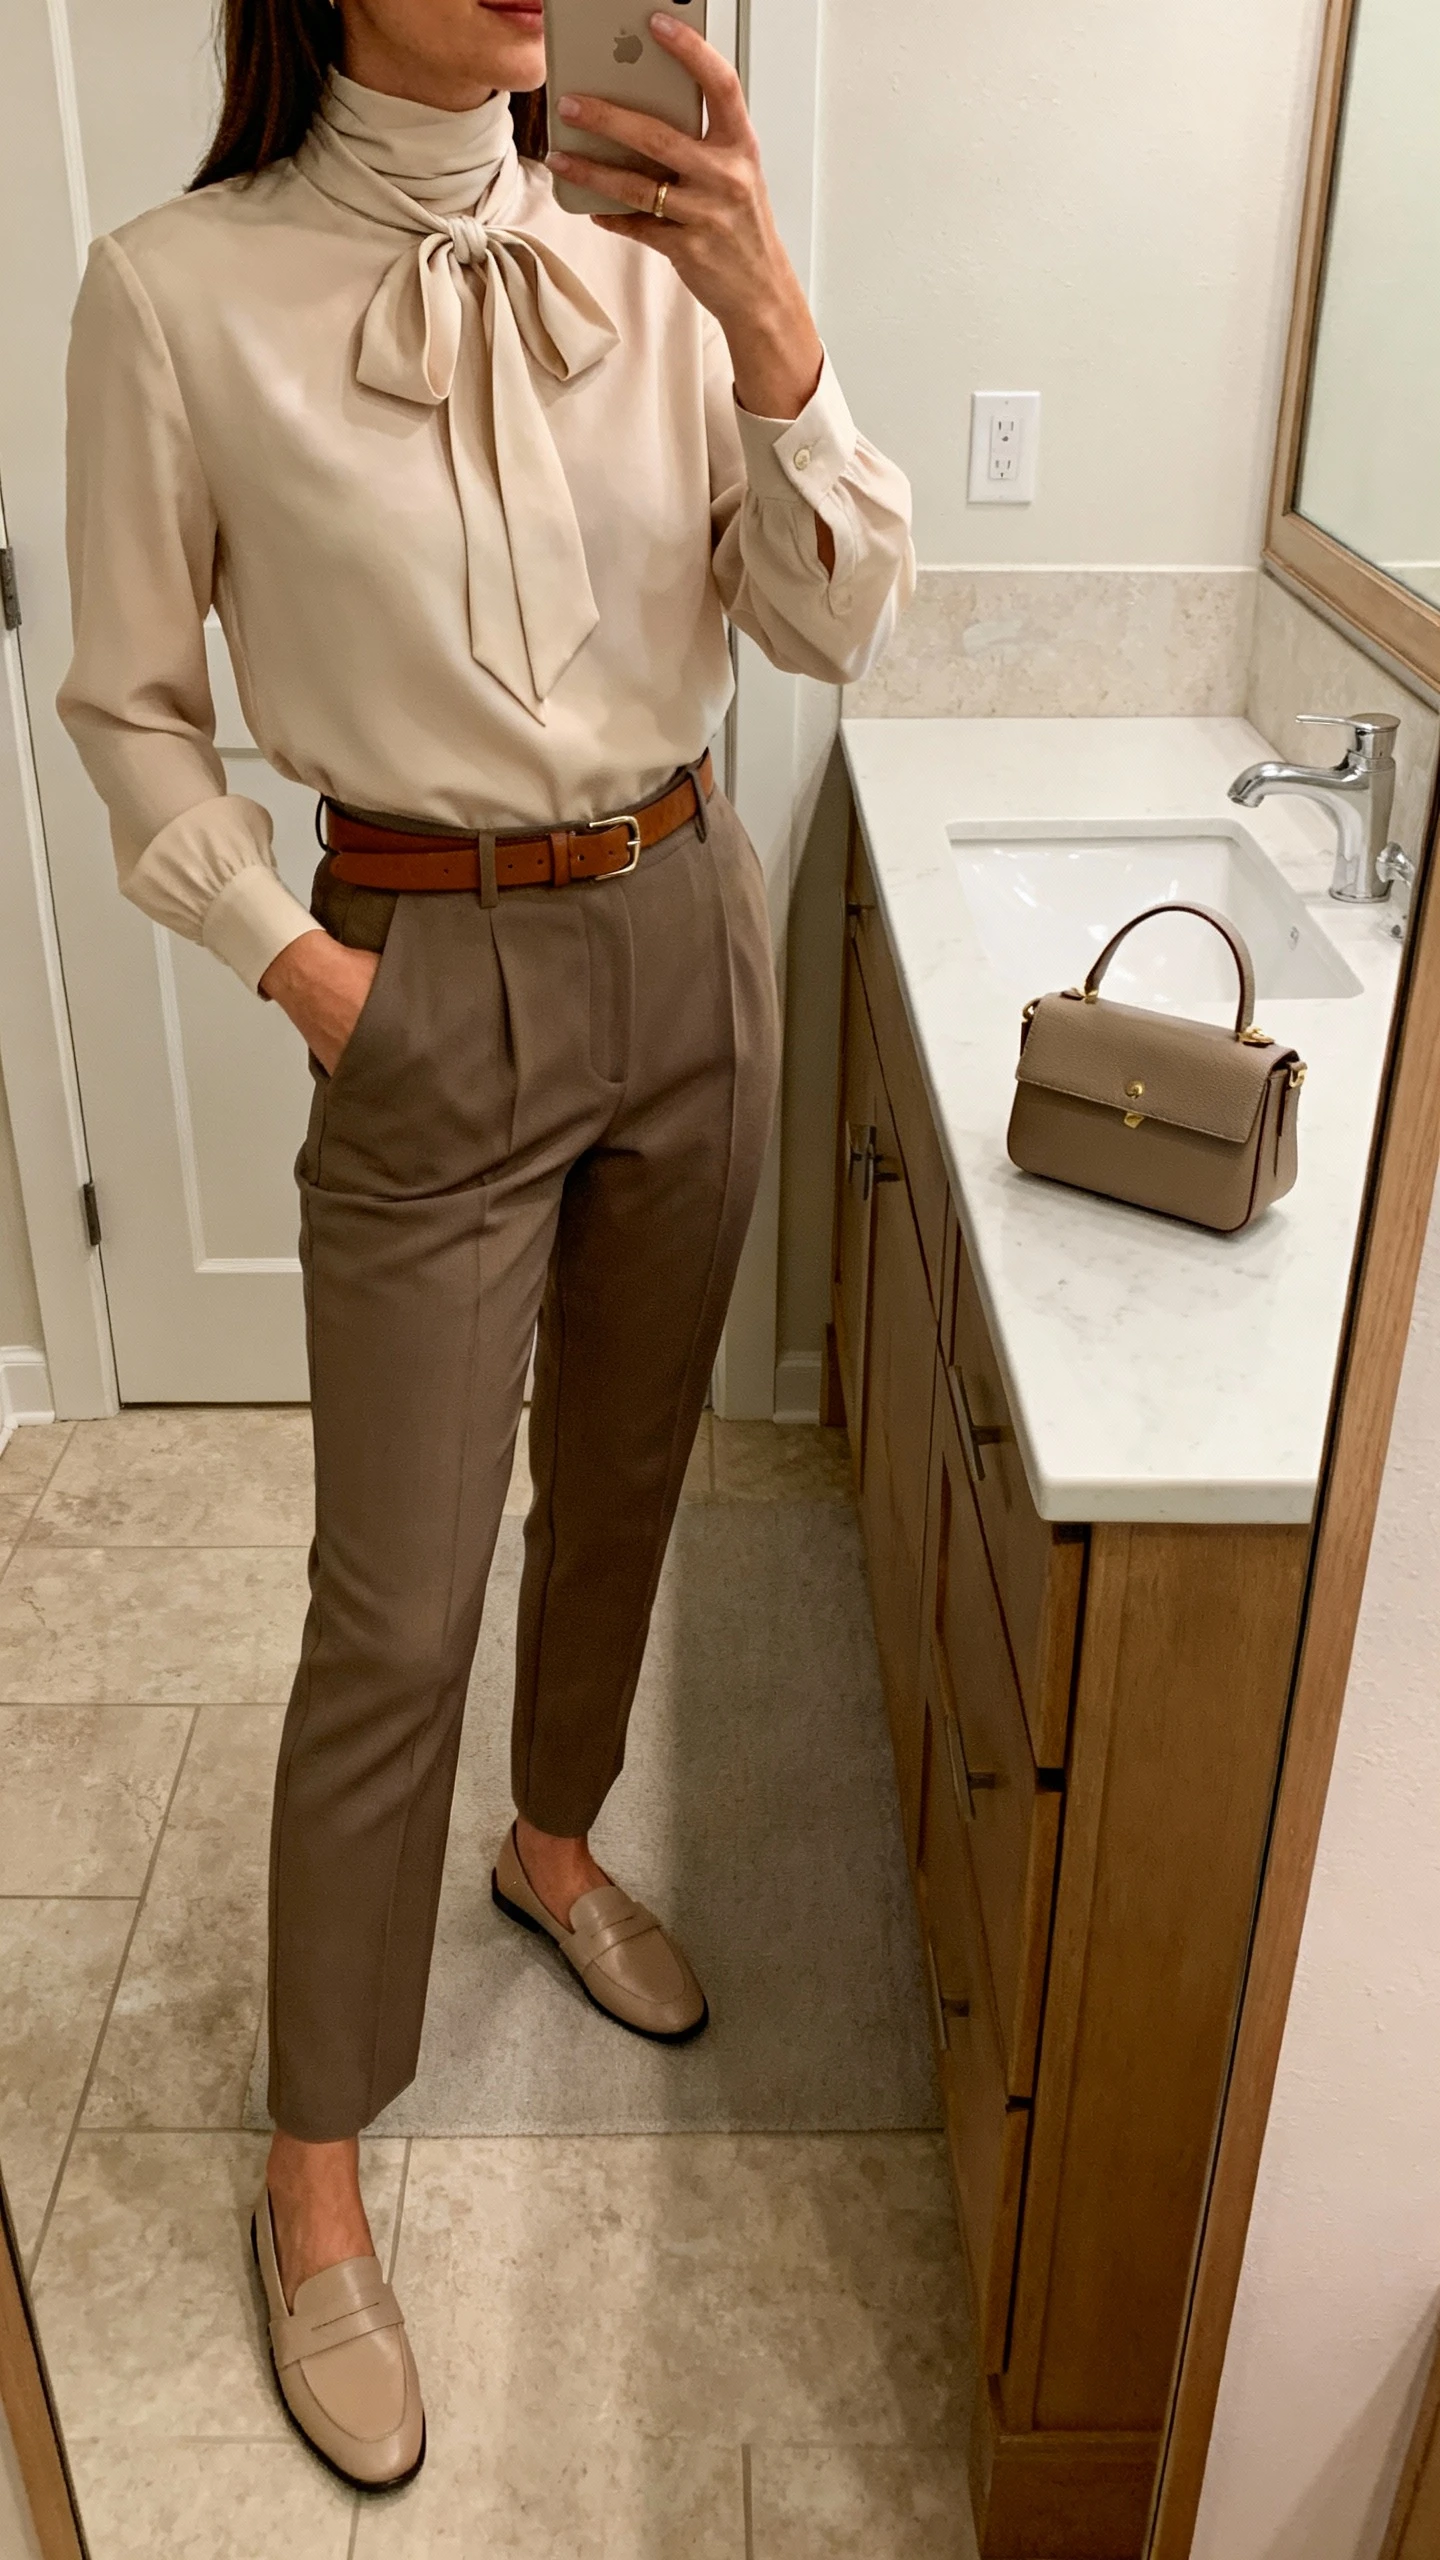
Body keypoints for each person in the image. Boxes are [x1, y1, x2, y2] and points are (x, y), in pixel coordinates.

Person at [59, 0, 913, 2489]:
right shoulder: (173, 295)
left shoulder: (662, 243)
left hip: (683, 932)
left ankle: (553, 1842)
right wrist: (317, 979)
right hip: (418, 974)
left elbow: (833, 622)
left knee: (632, 1474)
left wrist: (776, 334)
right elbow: (119, 705)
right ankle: (312, 2153)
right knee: (392, 1600)